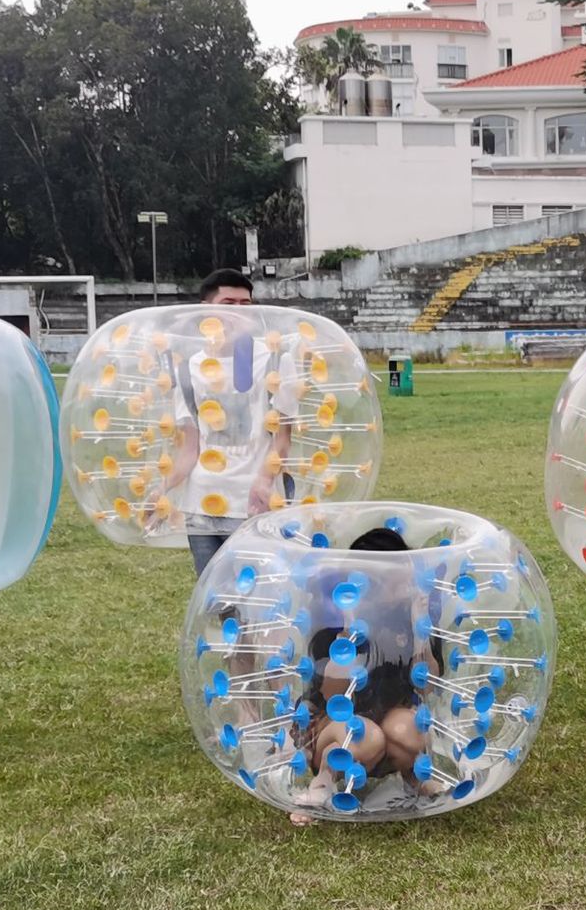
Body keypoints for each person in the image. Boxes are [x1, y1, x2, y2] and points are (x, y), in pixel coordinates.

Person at [289, 527, 441, 822]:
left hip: (386, 718)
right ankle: (323, 782)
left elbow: (426, 687)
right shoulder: (332, 625)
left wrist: (420, 632)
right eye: (397, 577)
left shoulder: (411, 622)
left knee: (409, 731)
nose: (408, 582)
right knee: (366, 735)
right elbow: (333, 696)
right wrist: (350, 628)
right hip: (333, 728)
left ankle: (413, 778)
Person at [167, 269, 294, 578]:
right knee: (211, 592)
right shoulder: (189, 369)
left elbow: (283, 439)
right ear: (205, 311)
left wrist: (263, 482)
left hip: (253, 504)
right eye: (229, 304)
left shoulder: (275, 360)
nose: (239, 313)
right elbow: (190, 448)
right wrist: (160, 491)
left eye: (246, 304)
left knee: (259, 590)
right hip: (200, 506)